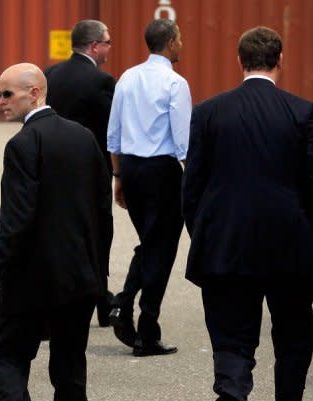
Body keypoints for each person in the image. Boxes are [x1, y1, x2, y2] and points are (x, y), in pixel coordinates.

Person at [182, 26, 313, 401]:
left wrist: (206, 234)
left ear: (239, 61)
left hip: (226, 245)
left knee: (231, 337)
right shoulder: (302, 112)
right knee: (293, 333)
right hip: (291, 247)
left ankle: (232, 391)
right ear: (281, 60)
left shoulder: (209, 112)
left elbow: (192, 186)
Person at [0, 63, 112, 401]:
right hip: (79, 278)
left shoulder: (23, 144)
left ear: (34, 93)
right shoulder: (84, 137)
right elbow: (102, 212)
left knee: (7, 360)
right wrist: (98, 273)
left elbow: (15, 220)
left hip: (29, 282)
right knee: (70, 373)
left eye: (7, 93)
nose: (0, 101)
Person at [106, 18, 191, 356]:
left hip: (132, 169)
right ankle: (139, 323)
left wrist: (118, 176)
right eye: (180, 38)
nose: (182, 44)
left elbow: (113, 133)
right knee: (162, 249)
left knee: (150, 244)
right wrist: (195, 182)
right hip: (163, 173)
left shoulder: (127, 77)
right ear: (170, 42)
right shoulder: (175, 83)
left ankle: (129, 313)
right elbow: (183, 142)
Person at [45, 19, 116, 327]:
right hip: (89, 171)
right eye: (108, 42)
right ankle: (100, 300)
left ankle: (50, 304)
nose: (110, 48)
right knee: (97, 234)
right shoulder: (101, 81)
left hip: (50, 168)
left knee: (55, 233)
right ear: (94, 46)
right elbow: (110, 129)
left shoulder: (50, 75)